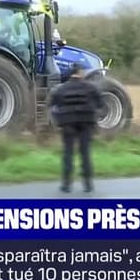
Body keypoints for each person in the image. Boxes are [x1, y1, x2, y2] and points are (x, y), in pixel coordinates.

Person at [49, 62, 101, 193]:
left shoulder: (60, 89)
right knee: (85, 153)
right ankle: (88, 185)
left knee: (68, 153)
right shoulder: (91, 88)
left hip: (68, 124)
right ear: (80, 72)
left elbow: (52, 106)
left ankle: (66, 185)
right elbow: (100, 105)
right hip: (86, 124)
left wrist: (58, 122)